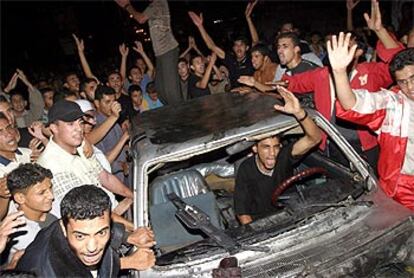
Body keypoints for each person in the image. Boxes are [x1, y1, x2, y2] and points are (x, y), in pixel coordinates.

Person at [328, 32, 414, 210]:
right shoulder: (393, 105)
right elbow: (351, 104)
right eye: (403, 82)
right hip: (403, 188)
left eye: (413, 79)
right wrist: (339, 72)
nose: (410, 87)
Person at [16, 185, 156, 277]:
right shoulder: (44, 272)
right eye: (80, 236)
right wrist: (129, 262)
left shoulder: (66, 226)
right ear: (64, 229)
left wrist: (127, 237)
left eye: (101, 233)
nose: (92, 247)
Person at [234, 86, 321, 225]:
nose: (272, 154)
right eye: (266, 147)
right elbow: (242, 212)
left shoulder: (284, 156)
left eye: (276, 147)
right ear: (255, 148)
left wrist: (299, 113)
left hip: (291, 214)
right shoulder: (246, 169)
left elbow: (315, 138)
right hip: (262, 223)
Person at [36, 100, 132, 218]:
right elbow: (86, 213)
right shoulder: (51, 166)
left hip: (112, 213)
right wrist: (132, 226)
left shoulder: (81, 145)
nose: (79, 129)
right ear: (54, 128)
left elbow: (105, 177)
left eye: (80, 122)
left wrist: (132, 195)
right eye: (71, 124)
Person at [116, 0, 182, 105]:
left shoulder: (159, 3)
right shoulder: (154, 5)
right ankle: (172, 109)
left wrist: (127, 6)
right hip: (160, 53)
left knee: (171, 91)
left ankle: (182, 113)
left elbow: (141, 18)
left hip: (168, 50)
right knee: (160, 89)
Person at [188, 0, 259, 89]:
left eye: (241, 45)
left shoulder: (251, 58)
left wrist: (248, 19)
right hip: (235, 95)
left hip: (251, 93)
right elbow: (211, 46)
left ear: (247, 48)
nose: (238, 47)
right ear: (233, 48)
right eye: (236, 45)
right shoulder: (230, 59)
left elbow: (256, 42)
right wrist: (200, 26)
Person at [6, 163, 57, 260]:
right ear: (20, 198)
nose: (51, 196)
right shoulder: (20, 233)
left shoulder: (54, 205)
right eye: (41, 193)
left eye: (50, 188)